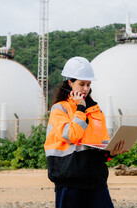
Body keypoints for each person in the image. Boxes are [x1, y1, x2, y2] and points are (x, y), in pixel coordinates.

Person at [44, 56, 127, 208]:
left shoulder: (96, 111)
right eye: (81, 84)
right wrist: (80, 108)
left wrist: (111, 152)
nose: (86, 89)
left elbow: (100, 145)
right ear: (69, 82)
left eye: (88, 84)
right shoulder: (59, 109)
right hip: (69, 180)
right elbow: (71, 135)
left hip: (95, 180)